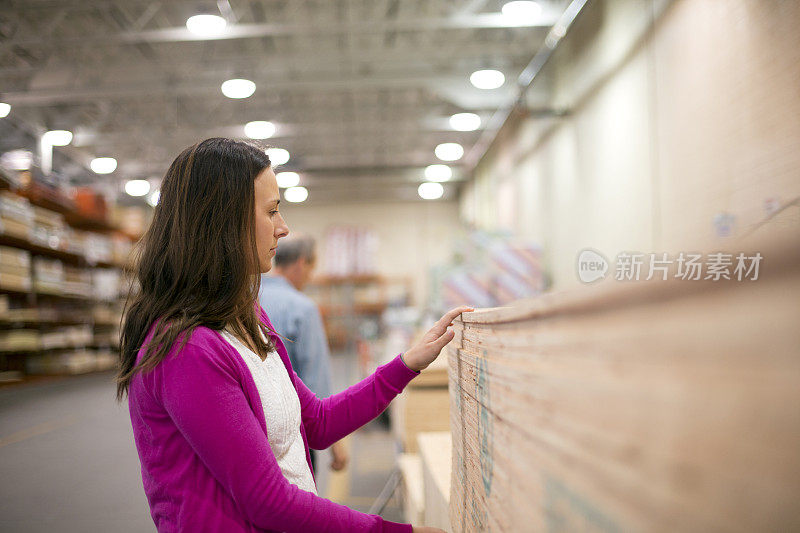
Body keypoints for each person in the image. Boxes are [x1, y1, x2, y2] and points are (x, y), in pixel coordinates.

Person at [117, 137, 471, 533]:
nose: (283, 228)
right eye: (271, 212)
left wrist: (407, 364)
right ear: (222, 222)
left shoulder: (246, 317)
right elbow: (268, 502)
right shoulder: (188, 350)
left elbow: (316, 421)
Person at [258, 235, 348, 474]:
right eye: (311, 267)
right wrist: (335, 440)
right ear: (300, 263)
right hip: (293, 435)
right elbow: (315, 379)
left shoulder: (245, 299)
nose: (311, 275)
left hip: (252, 430)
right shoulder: (303, 309)